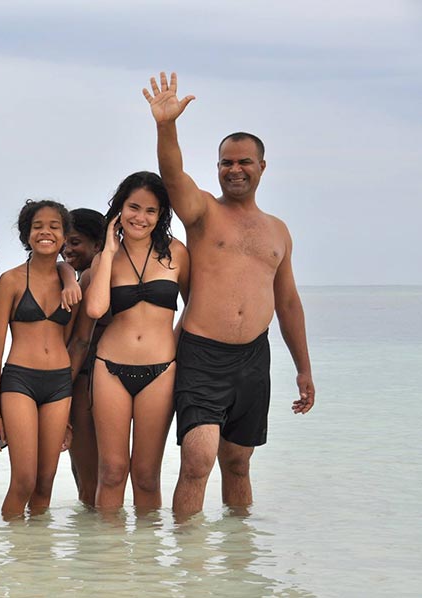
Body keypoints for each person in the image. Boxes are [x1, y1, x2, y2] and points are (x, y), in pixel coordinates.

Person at [143, 72, 315, 516]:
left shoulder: (278, 231)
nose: (234, 170)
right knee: (198, 460)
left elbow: (289, 303)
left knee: (238, 463)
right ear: (217, 167)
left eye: (243, 162)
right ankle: (191, 571)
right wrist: (166, 125)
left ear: (261, 167)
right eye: (226, 163)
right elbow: (171, 173)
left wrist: (304, 370)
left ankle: (241, 568)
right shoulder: (202, 211)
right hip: (202, 353)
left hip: (254, 359)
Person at [85, 172, 189, 511]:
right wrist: (108, 250)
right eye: (133, 207)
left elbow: (195, 307)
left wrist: (172, 343)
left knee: (146, 474)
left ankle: (148, 562)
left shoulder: (177, 253)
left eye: (150, 211)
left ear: (161, 216)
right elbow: (96, 308)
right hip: (110, 369)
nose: (140, 218)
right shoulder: (106, 258)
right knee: (112, 471)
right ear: (119, 208)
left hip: (160, 371)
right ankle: (109, 559)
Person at [0, 199, 80, 517]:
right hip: (19, 380)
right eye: (38, 226)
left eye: (54, 226)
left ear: (64, 235)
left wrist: (69, 278)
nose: (45, 232)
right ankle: (13, 560)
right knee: (23, 480)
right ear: (27, 235)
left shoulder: (71, 285)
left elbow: (72, 342)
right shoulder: (11, 280)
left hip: (59, 384)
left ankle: (38, 560)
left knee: (46, 481)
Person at [63, 208, 106, 506]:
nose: (67, 249)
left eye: (75, 242)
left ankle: (93, 545)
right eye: (65, 241)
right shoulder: (82, 278)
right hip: (91, 378)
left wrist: (61, 391)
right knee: (92, 477)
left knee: (89, 482)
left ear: (97, 245)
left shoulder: (91, 277)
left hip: (87, 379)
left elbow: (80, 341)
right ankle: (90, 545)